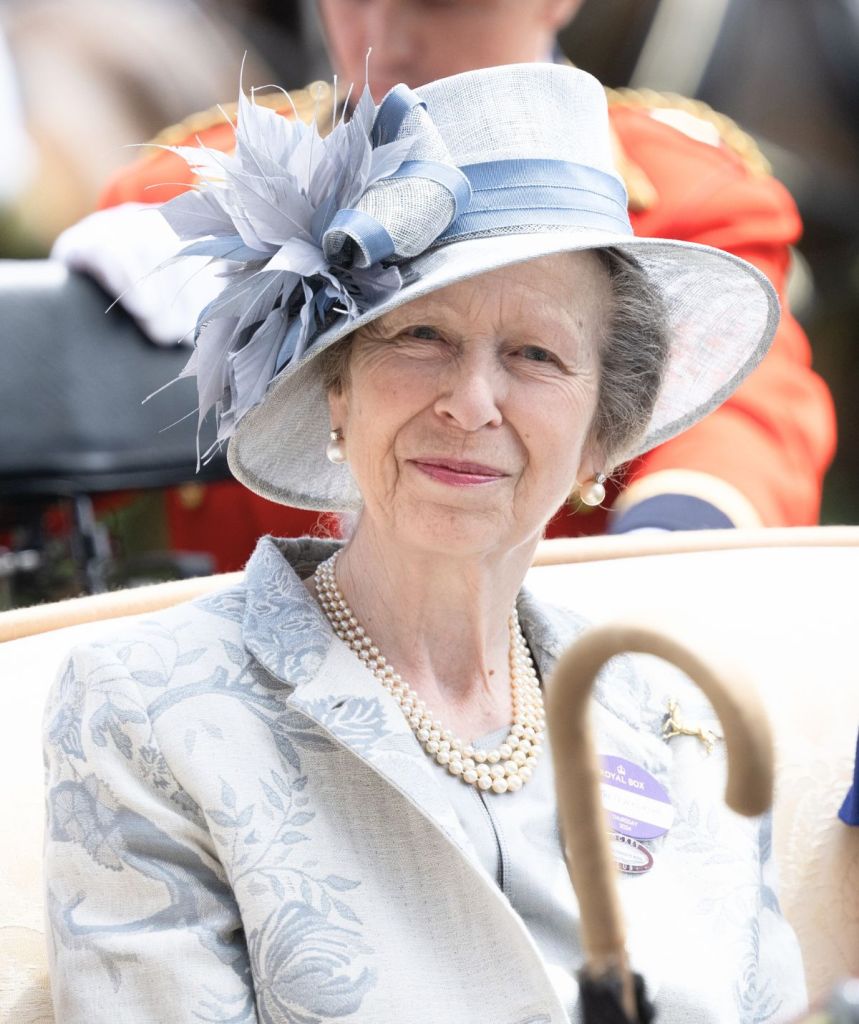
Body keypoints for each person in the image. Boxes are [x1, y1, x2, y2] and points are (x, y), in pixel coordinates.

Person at [43, 63, 806, 1023]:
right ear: (336, 388)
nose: (470, 402)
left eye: (535, 355)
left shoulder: (675, 718)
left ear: (603, 436)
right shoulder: (149, 706)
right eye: (419, 338)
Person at [57, 0, 835, 571]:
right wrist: (70, 356)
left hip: (556, 686)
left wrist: (661, 561)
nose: (384, 35)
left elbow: (740, 419)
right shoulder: (184, 190)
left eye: (440, 2)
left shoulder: (675, 192)